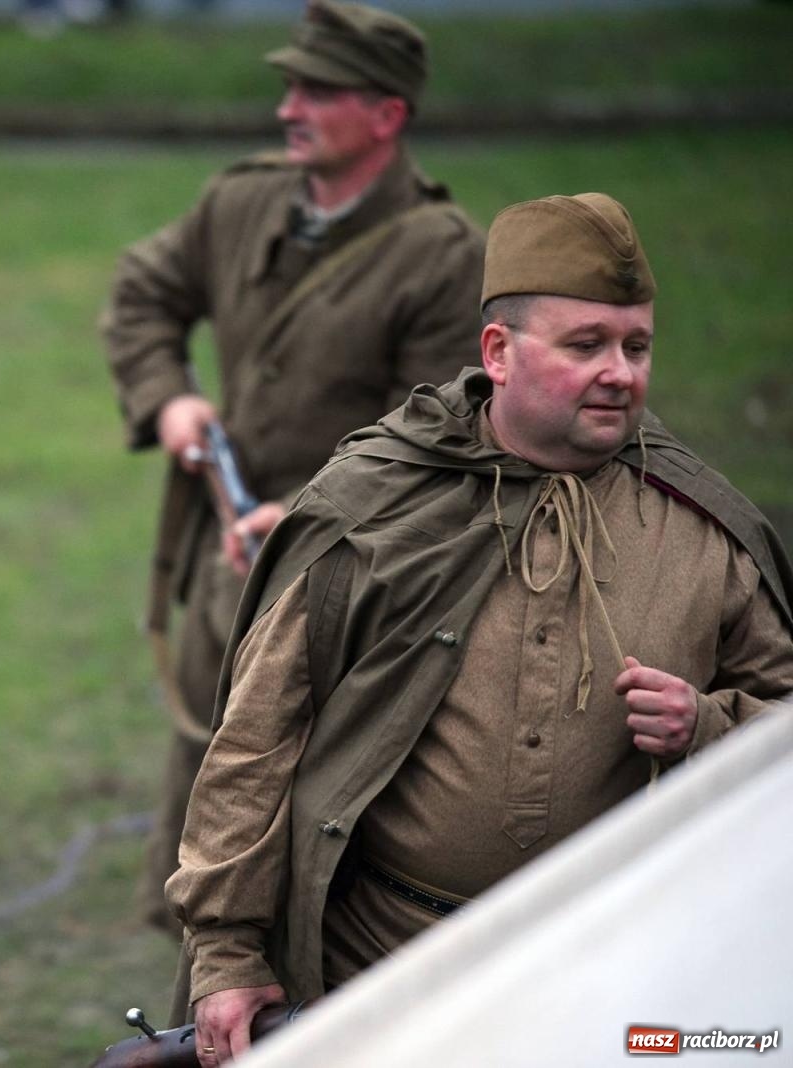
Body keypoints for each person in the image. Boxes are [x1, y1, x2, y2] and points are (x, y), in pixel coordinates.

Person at [166, 192, 793, 1065]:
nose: (620, 371)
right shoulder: (372, 508)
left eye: (635, 345)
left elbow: (785, 743)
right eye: (585, 345)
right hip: (380, 968)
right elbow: (255, 743)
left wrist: (708, 724)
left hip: (617, 979)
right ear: (498, 352)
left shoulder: (702, 531)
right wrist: (227, 950)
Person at [99, 0, 485, 933]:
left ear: (386, 115)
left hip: (351, 596)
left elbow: (440, 443)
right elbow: (144, 289)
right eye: (288, 87)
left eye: (317, 90)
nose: (288, 108)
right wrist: (169, 398)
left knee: (313, 844)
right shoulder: (241, 201)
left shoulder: (444, 257)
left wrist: (312, 522)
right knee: (205, 827)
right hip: (224, 573)